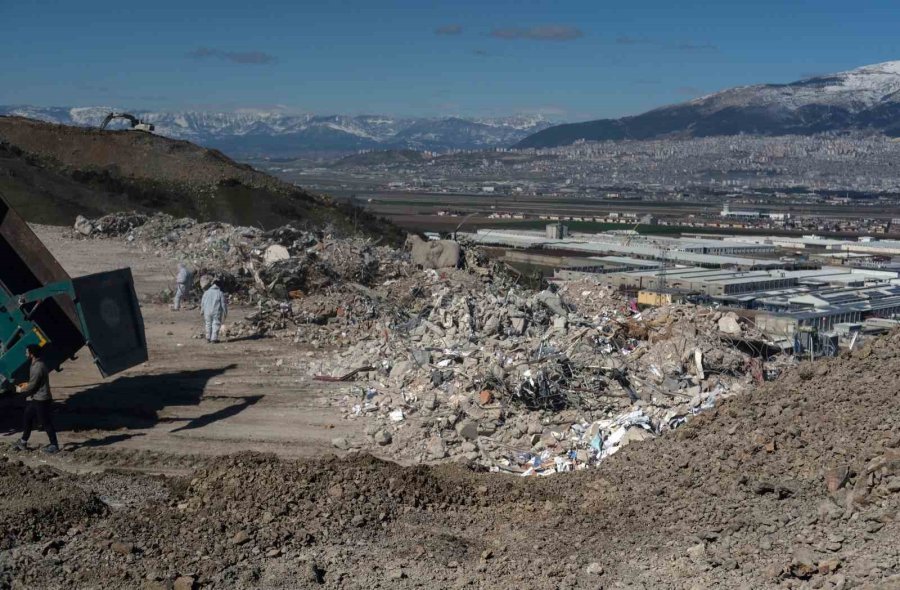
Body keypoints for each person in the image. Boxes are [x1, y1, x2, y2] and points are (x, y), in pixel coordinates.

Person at [12, 344, 59, 454]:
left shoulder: (38, 367)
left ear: (32, 354)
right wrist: (26, 384)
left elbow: (33, 385)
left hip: (42, 400)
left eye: (27, 352)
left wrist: (20, 390)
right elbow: (35, 382)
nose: (25, 353)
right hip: (37, 398)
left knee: (46, 422)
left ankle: (54, 445)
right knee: (27, 416)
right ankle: (23, 442)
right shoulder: (36, 364)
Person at [200, 278, 228, 343]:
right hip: (216, 311)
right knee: (216, 324)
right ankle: (214, 339)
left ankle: (208, 337)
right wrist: (225, 313)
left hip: (207, 311)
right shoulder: (220, 293)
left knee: (208, 324)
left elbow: (203, 303)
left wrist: (201, 311)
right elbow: (223, 304)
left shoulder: (206, 292)